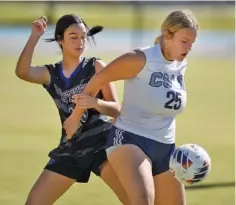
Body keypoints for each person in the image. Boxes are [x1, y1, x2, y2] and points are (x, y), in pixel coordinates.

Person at [64, 9, 199, 205]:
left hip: (165, 147)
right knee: (143, 200)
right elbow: (98, 80)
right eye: (185, 41)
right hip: (129, 139)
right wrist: (76, 117)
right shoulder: (140, 58)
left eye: (192, 43)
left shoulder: (180, 64)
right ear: (167, 35)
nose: (189, 47)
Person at [15, 14, 129, 205]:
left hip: (103, 145)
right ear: (61, 40)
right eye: (73, 37)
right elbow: (22, 72)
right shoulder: (50, 74)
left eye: (83, 36)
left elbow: (117, 109)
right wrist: (35, 36)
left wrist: (95, 103)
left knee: (136, 201)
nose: (80, 42)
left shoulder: (95, 66)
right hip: (71, 148)